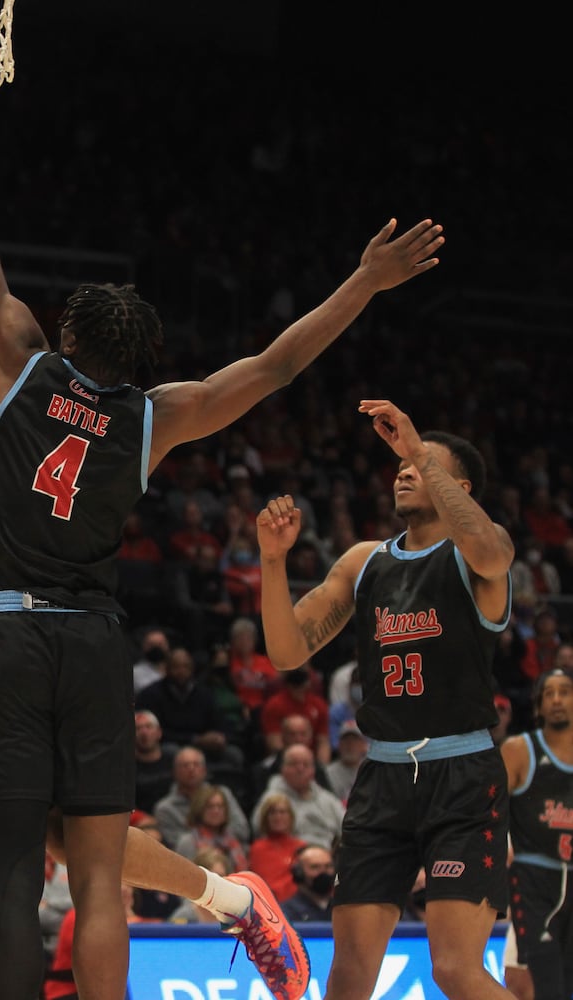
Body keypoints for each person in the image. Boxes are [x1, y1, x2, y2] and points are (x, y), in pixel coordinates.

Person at [0, 41, 441, 1000]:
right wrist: (364, 284)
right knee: (98, 882)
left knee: (17, 878)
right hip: (94, 645)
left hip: (7, 637)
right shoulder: (154, 417)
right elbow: (273, 367)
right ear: (138, 362)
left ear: (68, 336)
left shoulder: (17, 363)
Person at [256, 401, 512, 1000]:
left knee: (454, 970)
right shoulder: (364, 561)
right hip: (383, 778)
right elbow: (288, 652)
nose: (402, 469)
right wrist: (273, 562)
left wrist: (418, 446)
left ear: (458, 486)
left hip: (463, 777)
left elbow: (494, 555)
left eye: (419, 466)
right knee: (347, 980)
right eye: (399, 465)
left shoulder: (479, 555)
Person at [500, 667, 573, 1000]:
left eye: (565, 692)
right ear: (538, 707)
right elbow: (487, 810)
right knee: (529, 986)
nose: (557, 700)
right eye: (549, 693)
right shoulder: (519, 750)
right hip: (532, 880)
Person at [278, 844, 337, 924]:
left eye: (328, 866)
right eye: (315, 867)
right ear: (299, 873)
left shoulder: (343, 909)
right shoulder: (285, 912)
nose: (323, 872)